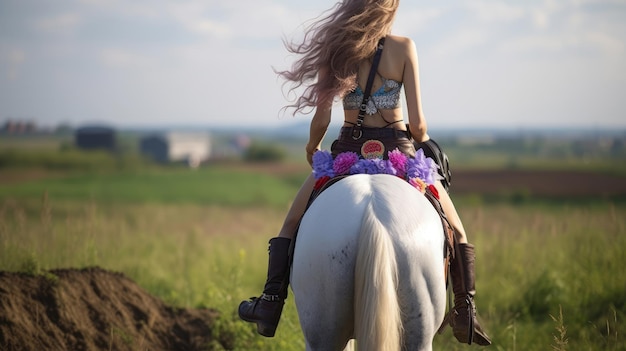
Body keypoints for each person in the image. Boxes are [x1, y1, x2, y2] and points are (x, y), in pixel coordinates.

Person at [238, 0, 491, 346]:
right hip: (399, 156)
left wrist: (313, 147)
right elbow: (417, 125)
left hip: (348, 154)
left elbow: (323, 120)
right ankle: (465, 312)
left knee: (291, 224)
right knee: (458, 232)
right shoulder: (404, 48)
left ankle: (269, 303)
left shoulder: (337, 49)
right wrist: (427, 144)